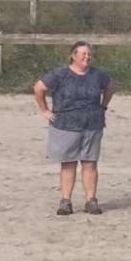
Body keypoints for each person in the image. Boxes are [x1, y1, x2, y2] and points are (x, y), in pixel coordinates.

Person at [33, 41, 115, 216]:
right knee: (68, 164)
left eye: (89, 54)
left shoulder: (97, 75)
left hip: (92, 124)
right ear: (73, 55)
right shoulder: (60, 74)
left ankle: (91, 201)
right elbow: (39, 88)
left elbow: (110, 87)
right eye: (83, 54)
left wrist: (103, 106)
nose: (87, 57)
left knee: (90, 163)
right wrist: (44, 110)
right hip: (66, 125)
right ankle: (65, 201)